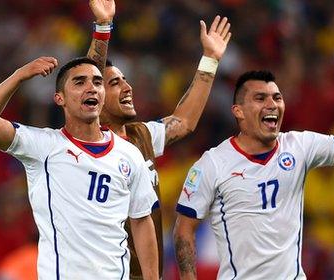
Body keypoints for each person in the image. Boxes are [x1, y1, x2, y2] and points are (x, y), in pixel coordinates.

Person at [173, 49, 334, 279]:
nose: (272, 104)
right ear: (238, 111)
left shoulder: (299, 145)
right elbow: (184, 228)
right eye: (260, 98)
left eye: (277, 97)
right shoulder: (213, 163)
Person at [0, 56, 159, 279]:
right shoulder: (43, 146)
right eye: (80, 82)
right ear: (59, 98)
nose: (91, 88)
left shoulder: (129, 154)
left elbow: (141, 220)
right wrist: (20, 75)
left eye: (98, 83)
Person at [84, 1, 231, 278]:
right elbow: (83, 79)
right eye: (114, 83)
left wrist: (210, 60)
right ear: (95, 97)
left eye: (125, 80)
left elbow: (185, 121)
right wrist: (103, 28)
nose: (128, 87)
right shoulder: (90, 144)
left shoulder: (141, 135)